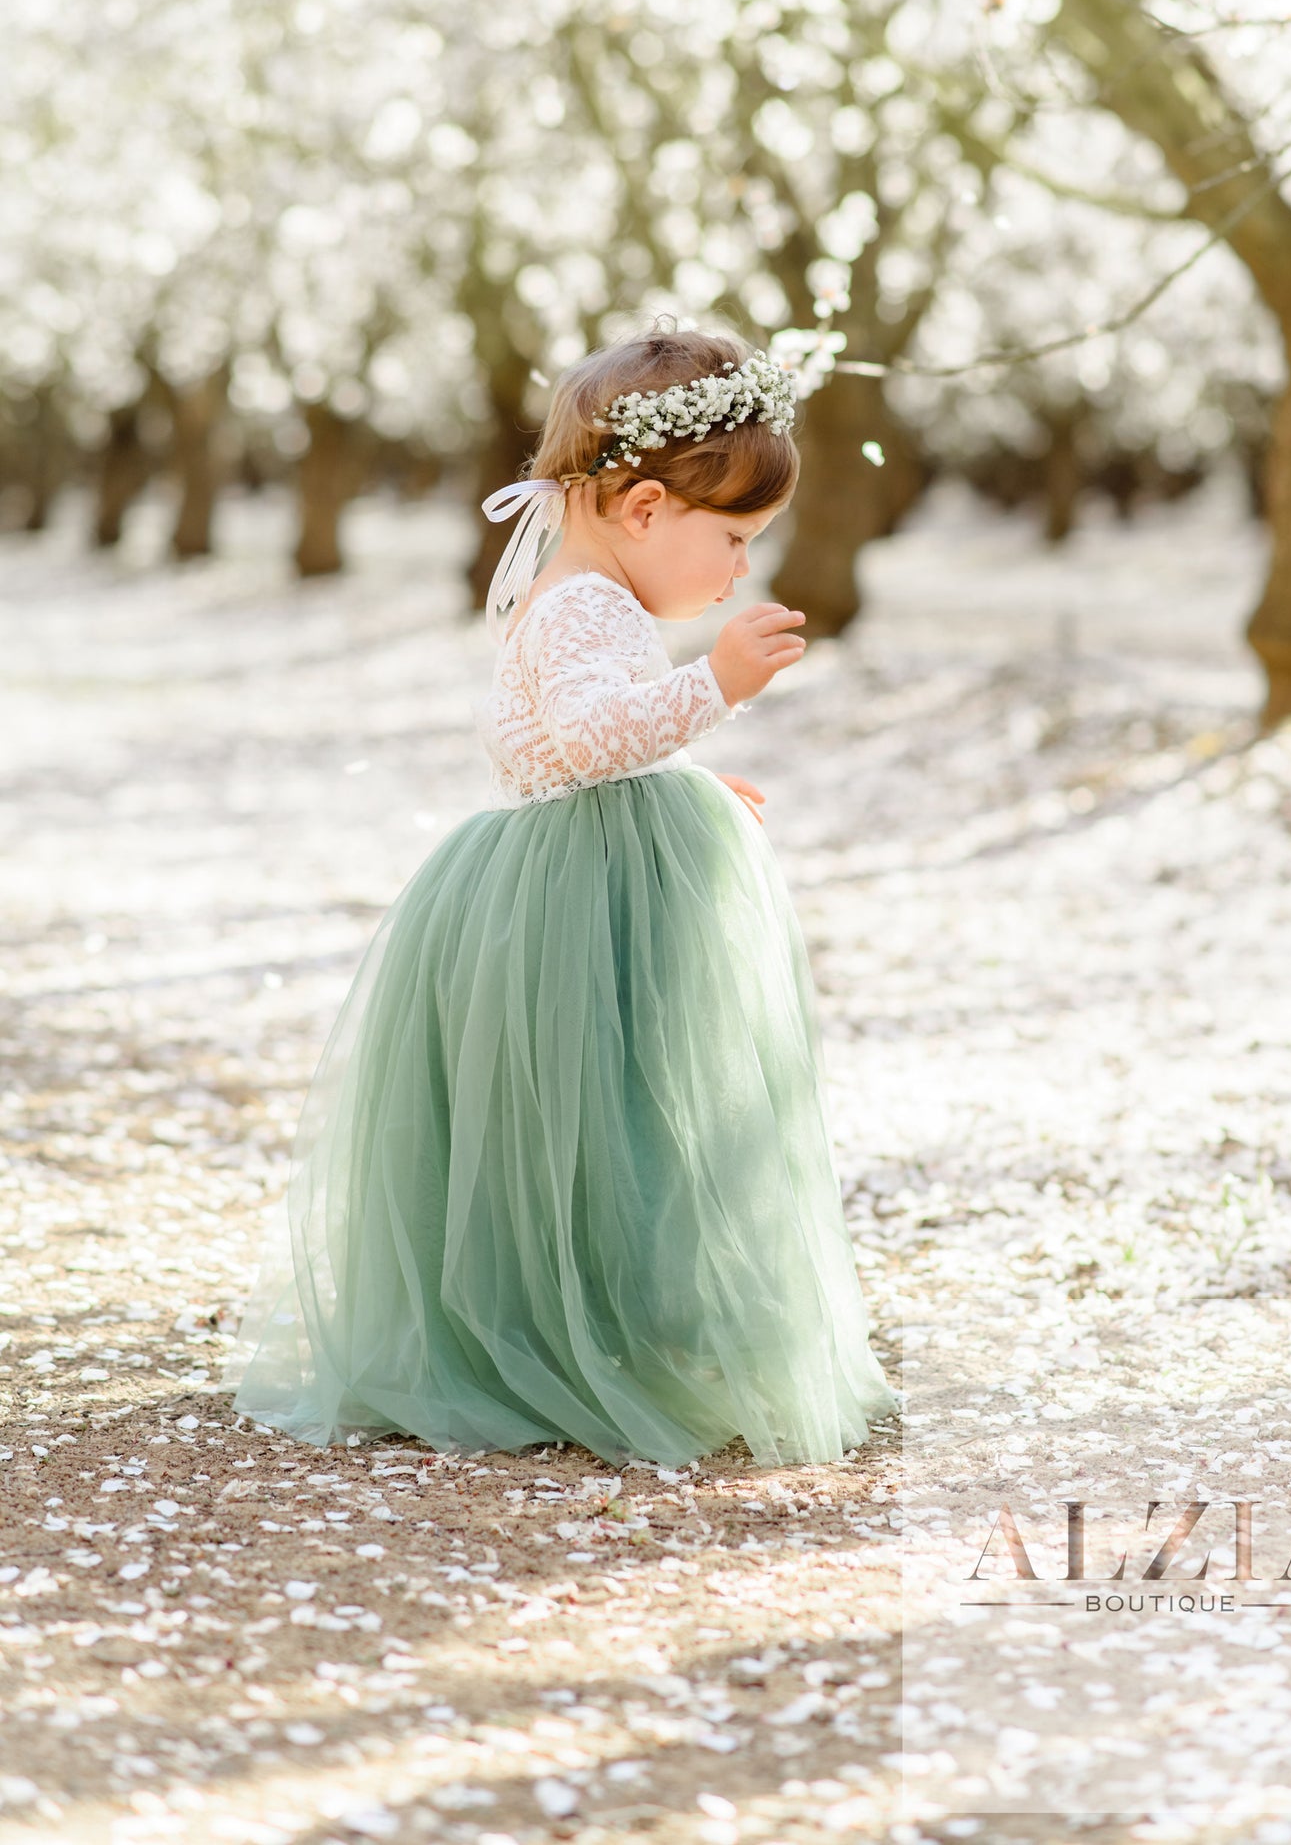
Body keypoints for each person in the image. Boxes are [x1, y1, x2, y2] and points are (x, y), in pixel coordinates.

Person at [226, 326, 896, 1467]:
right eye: (731, 538)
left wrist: (676, 772)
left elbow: (576, 741)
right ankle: (584, 1331)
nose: (741, 568)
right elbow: (586, 734)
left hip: (586, 868)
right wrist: (714, 685)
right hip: (579, 898)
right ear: (639, 508)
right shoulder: (589, 604)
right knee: (611, 1108)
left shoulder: (585, 591)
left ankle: (596, 1319)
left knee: (609, 1111)